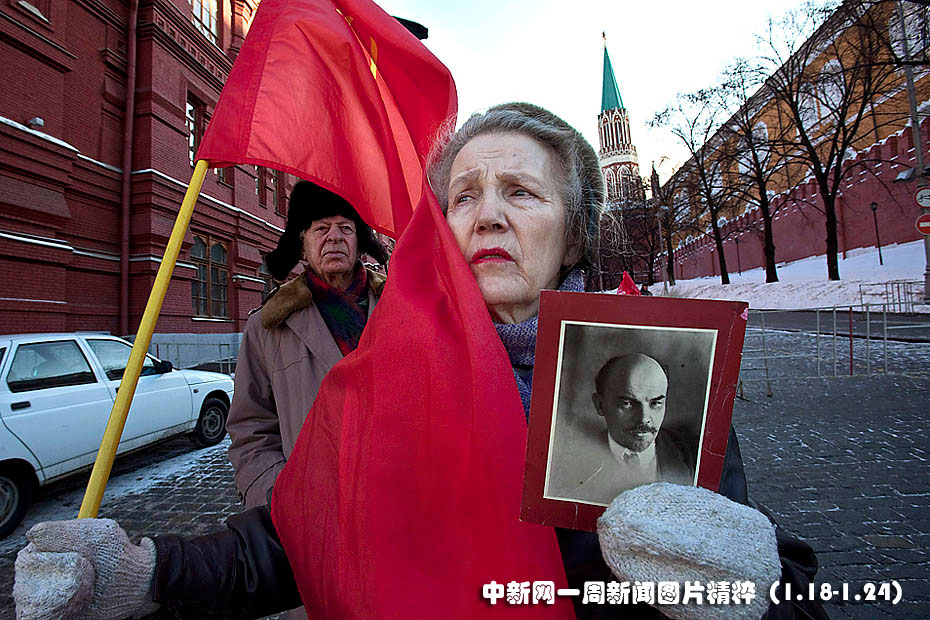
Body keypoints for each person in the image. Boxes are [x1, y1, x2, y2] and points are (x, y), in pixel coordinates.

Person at [14, 103, 826, 620]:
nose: (488, 215)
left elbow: (781, 578)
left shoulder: (656, 367)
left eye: (521, 192)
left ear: (574, 233)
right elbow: (304, 538)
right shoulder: (388, 375)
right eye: (464, 196)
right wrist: (148, 571)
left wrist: (751, 592)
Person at [228, 180, 387, 509]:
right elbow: (251, 427)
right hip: (311, 509)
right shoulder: (268, 327)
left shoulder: (400, 308)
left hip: (393, 501)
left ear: (359, 243)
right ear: (303, 244)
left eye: (345, 228)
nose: (334, 237)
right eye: (321, 228)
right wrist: (277, 494)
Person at [563, 354, 695, 505]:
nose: (644, 419)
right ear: (599, 405)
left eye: (655, 404)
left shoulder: (694, 454)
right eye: (627, 404)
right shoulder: (568, 463)